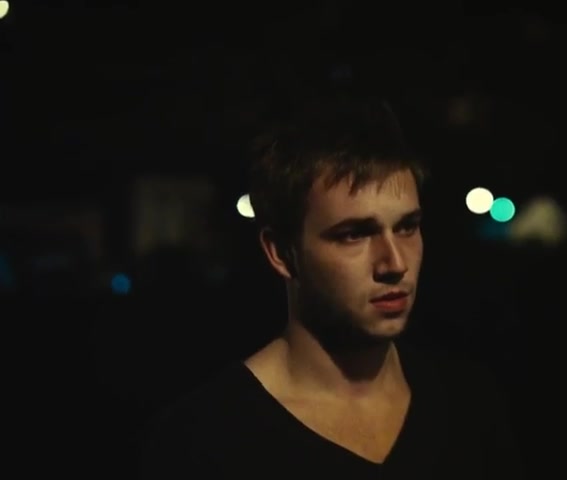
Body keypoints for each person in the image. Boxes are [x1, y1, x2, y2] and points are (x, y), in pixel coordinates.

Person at [136, 96, 526, 478]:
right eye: (354, 234)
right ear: (281, 253)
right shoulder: (204, 439)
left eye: (407, 226)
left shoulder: (469, 404)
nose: (395, 263)